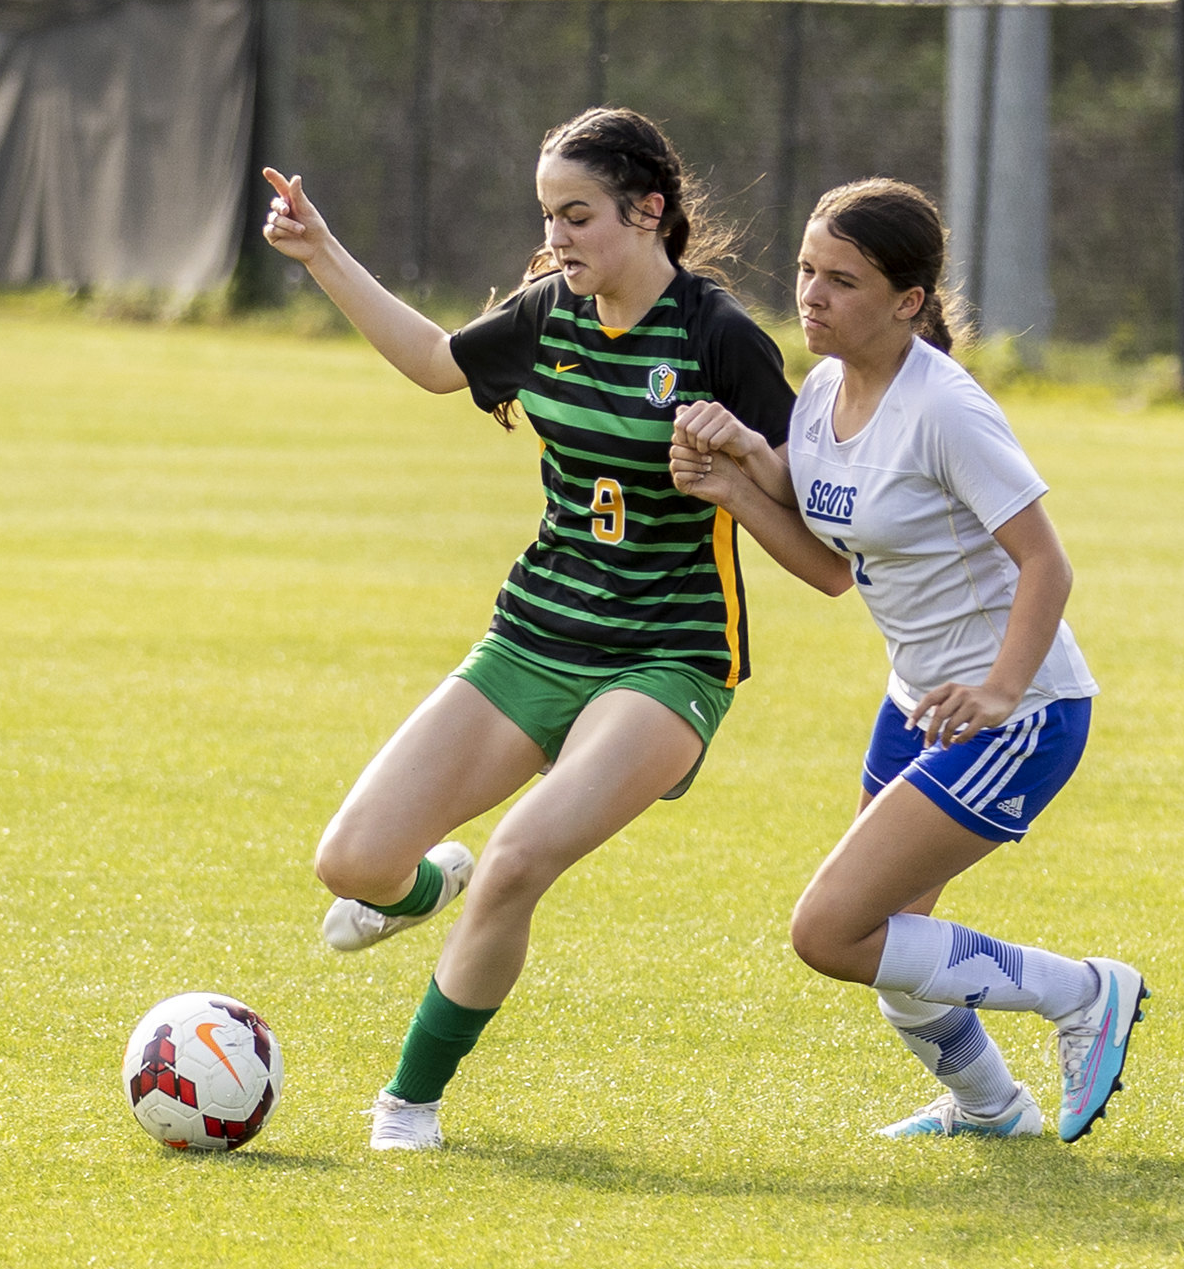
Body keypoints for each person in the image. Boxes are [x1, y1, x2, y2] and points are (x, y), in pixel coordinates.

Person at [261, 108, 796, 1151]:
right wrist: (321, 250)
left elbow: (818, 506)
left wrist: (738, 467)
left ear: (649, 211)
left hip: (666, 658)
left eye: (579, 215)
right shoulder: (549, 310)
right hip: (534, 635)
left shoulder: (716, 337)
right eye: (548, 217)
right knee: (352, 864)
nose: (558, 239)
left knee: (515, 860)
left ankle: (406, 1105)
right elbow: (431, 360)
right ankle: (424, 885)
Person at [670, 178, 1146, 1142]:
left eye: (841, 280)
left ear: (909, 302)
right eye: (806, 271)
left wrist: (1002, 688)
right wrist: (733, 483)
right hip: (920, 698)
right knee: (891, 946)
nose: (812, 295)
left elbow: (1046, 563)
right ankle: (990, 1110)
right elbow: (830, 567)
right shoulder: (818, 394)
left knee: (830, 929)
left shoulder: (946, 408)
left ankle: (1086, 992)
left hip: (1023, 710)